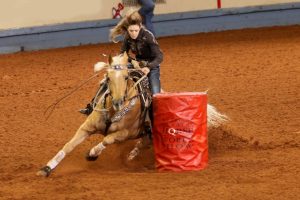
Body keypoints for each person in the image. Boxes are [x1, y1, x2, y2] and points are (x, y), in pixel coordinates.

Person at [79, 10, 163, 116]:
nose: (133, 33)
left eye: (136, 30)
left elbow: (159, 56)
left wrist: (148, 67)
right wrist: (132, 61)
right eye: (131, 31)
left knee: (156, 95)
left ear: (140, 26)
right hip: (136, 63)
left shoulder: (148, 36)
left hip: (151, 66)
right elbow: (123, 54)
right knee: (109, 78)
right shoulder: (128, 37)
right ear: (127, 29)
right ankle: (92, 105)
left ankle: (153, 119)